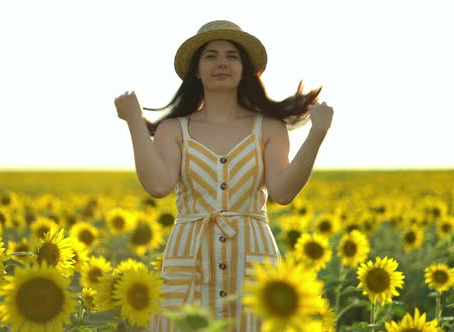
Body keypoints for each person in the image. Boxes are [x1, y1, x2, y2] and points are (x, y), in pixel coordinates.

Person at [114, 20, 333, 332]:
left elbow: (282, 193)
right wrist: (135, 121)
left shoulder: (269, 127)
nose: (222, 63)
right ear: (196, 71)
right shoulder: (173, 129)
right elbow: (158, 185)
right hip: (189, 257)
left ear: (245, 70)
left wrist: (317, 134)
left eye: (232, 56)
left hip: (253, 258)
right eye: (210, 56)